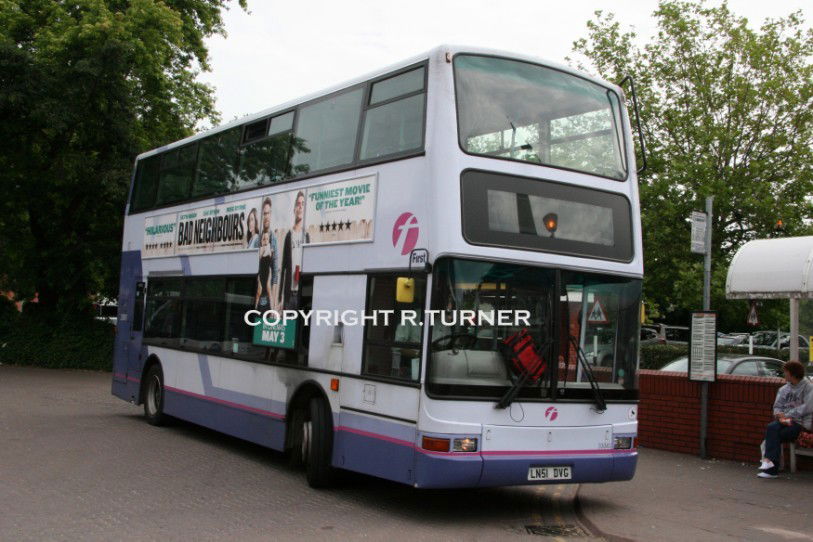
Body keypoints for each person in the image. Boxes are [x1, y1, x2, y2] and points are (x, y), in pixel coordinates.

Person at [758, 360, 812, 478]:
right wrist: (779, 414)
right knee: (772, 428)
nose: (784, 375)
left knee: (772, 433)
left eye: (786, 372)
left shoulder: (808, 387)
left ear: (793, 374)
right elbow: (777, 406)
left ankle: (771, 469)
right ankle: (771, 468)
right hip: (785, 422)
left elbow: (808, 407)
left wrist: (787, 414)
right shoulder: (783, 389)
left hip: (800, 423)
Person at [278, 191, 309, 310]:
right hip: (289, 294)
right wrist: (281, 297)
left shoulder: (306, 236)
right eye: (298, 204)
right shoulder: (289, 235)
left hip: (302, 293)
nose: (300, 207)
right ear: (294, 209)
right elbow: (283, 267)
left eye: (303, 204)